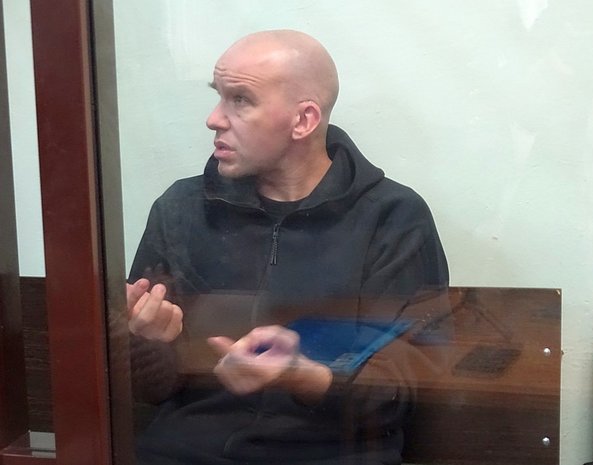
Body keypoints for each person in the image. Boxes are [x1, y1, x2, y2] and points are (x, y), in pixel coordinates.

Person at [126, 29, 449, 465]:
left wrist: (302, 376)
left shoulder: (391, 217)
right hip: (182, 454)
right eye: (219, 96)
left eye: (240, 100)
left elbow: (403, 394)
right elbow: (149, 391)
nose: (214, 119)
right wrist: (145, 343)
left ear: (304, 120)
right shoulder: (180, 208)